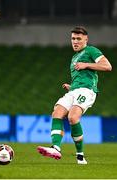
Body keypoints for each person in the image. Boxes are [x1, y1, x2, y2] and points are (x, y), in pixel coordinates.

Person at [37, 26, 112, 164]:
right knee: (57, 112)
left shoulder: (91, 50)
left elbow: (107, 66)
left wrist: (86, 65)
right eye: (73, 39)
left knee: (72, 117)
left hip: (87, 91)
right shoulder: (74, 57)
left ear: (86, 39)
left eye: (79, 39)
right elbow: (83, 77)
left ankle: (80, 155)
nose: (75, 41)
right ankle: (56, 148)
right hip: (75, 90)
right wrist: (72, 87)